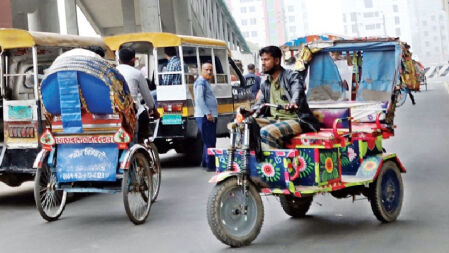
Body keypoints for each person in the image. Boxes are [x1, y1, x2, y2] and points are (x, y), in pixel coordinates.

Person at [256, 46, 320, 149]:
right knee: (242, 125)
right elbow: (260, 104)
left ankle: (273, 163)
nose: (263, 63)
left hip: (298, 120)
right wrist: (248, 112)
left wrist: (294, 102)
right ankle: (247, 159)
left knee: (266, 132)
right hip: (275, 119)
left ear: (277, 61)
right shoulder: (266, 83)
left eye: (266, 59)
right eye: (262, 60)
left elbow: (297, 89)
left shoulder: (292, 76)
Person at [116, 47, 158, 143]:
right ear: (133, 60)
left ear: (119, 60)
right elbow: (147, 96)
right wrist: (154, 110)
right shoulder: (137, 73)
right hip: (131, 110)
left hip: (114, 108)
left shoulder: (113, 72)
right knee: (143, 111)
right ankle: (141, 140)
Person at [194, 62, 218, 171]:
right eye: (206, 70)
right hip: (205, 116)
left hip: (207, 115)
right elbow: (199, 99)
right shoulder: (201, 82)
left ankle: (205, 162)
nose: (209, 72)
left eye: (210, 70)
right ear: (201, 70)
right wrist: (207, 113)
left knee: (207, 140)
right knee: (210, 141)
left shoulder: (205, 82)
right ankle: (210, 165)